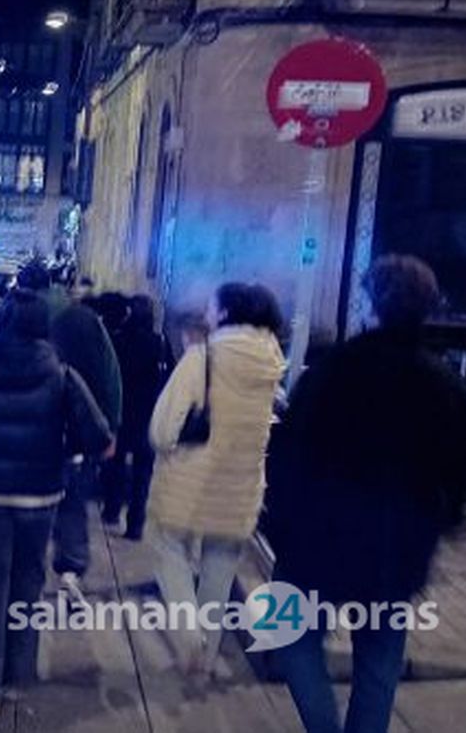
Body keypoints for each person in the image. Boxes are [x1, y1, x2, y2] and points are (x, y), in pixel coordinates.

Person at [266, 256, 466, 733]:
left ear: (370, 304)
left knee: (291, 637)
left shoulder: (334, 370)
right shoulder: (444, 385)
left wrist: (280, 518)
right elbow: (458, 475)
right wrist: (436, 522)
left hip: (317, 541)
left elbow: (291, 451)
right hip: (397, 546)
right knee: (379, 662)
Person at [0, 290, 113, 726]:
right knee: (28, 584)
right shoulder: (60, 372)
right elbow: (97, 435)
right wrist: (70, 452)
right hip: (39, 496)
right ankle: (18, 678)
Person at [149, 282, 286, 680]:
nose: (207, 314)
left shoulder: (202, 358)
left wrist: (166, 446)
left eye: (212, 307)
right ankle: (204, 662)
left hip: (190, 483)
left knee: (167, 547)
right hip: (242, 487)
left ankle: (189, 637)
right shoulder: (271, 365)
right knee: (220, 567)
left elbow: (162, 428)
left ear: (225, 313)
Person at [16, 260, 123, 601]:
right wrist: (110, 428)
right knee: (73, 503)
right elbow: (110, 378)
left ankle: (23, 578)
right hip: (76, 431)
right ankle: (70, 573)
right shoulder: (85, 320)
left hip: (31, 433)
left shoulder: (17, 317)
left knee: (26, 506)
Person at [101, 295, 174, 539]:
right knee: (143, 473)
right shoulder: (161, 343)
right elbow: (169, 378)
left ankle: (111, 512)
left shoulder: (117, 341)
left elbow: (109, 377)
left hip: (122, 412)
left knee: (116, 465)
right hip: (148, 415)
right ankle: (135, 525)